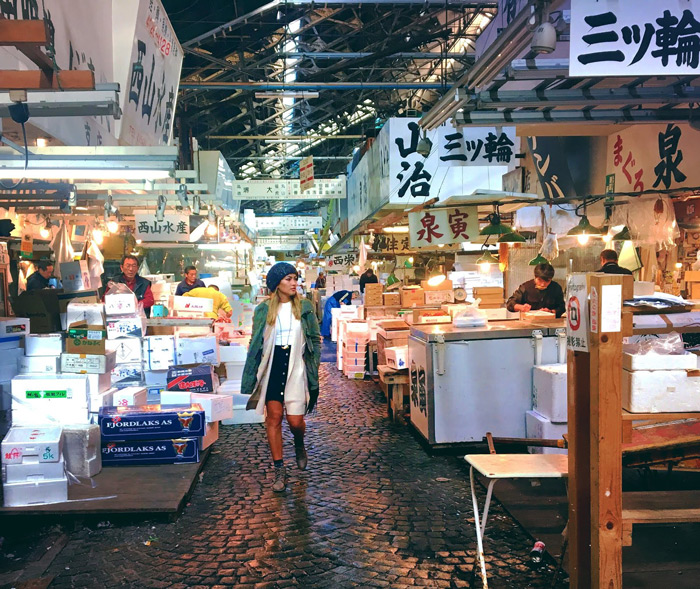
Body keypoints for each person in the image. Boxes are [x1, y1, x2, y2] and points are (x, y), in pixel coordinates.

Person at [241, 262, 321, 493]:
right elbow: (255, 342)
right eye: (288, 279)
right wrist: (251, 374)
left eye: (295, 278)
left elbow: (314, 339)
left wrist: (312, 367)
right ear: (277, 284)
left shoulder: (305, 307)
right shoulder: (263, 310)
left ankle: (298, 442)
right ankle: (279, 469)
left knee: (295, 421)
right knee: (273, 418)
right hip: (273, 368)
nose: (294, 282)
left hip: (296, 367)